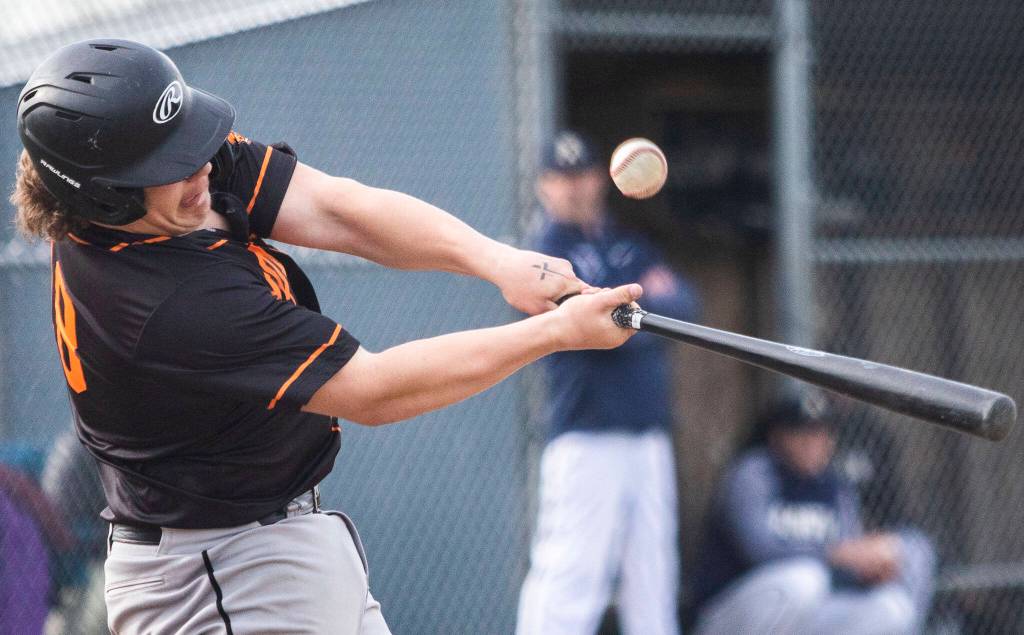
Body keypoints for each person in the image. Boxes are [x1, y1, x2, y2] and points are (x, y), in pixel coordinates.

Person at [11, 40, 645, 634]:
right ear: (106, 197)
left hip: (257, 547)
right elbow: (375, 390)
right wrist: (553, 333)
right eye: (172, 162)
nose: (201, 163)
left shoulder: (146, 186)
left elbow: (336, 209)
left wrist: (499, 262)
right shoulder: (166, 303)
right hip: (221, 572)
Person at [517, 130, 700, 635]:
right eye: (561, 177)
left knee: (654, 579)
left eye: (581, 175)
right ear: (543, 187)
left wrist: (625, 319)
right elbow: (585, 328)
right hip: (587, 435)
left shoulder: (627, 243)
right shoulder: (545, 254)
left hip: (647, 435)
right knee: (572, 576)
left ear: (600, 178)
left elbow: (685, 306)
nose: (573, 187)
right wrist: (639, 316)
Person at [691, 395, 937, 634]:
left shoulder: (835, 486)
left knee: (893, 607)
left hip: (801, 612)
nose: (813, 443)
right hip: (729, 612)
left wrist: (867, 569)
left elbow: (845, 560)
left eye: (821, 433)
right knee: (804, 578)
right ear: (778, 437)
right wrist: (835, 555)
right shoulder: (754, 474)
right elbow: (760, 550)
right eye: (801, 433)